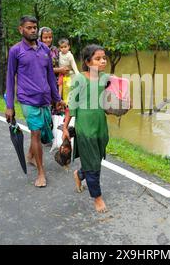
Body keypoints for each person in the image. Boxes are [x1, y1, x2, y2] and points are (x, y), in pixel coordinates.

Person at [6, 16, 65, 188]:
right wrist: (9, 106)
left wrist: (57, 99)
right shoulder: (16, 51)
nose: (33, 30)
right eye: (29, 27)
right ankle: (41, 173)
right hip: (27, 99)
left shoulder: (45, 50)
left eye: (34, 27)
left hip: (45, 99)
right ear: (21, 30)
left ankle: (31, 156)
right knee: (36, 133)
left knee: (44, 134)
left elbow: (50, 77)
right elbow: (10, 78)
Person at [62, 44, 110, 213]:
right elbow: (71, 105)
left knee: (95, 160)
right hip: (85, 129)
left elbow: (112, 101)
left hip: (101, 128)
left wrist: (123, 105)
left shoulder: (106, 79)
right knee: (93, 165)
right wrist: (65, 127)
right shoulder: (79, 80)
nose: (103, 61)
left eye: (104, 58)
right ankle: (97, 198)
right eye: (98, 58)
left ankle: (80, 174)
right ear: (88, 62)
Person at [58, 38, 80, 104]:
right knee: (60, 83)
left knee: (71, 85)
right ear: (59, 48)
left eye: (65, 47)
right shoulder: (59, 54)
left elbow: (73, 65)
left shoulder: (70, 55)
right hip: (61, 73)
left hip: (69, 72)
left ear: (69, 47)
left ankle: (72, 99)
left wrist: (78, 74)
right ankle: (59, 97)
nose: (64, 49)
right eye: (61, 47)